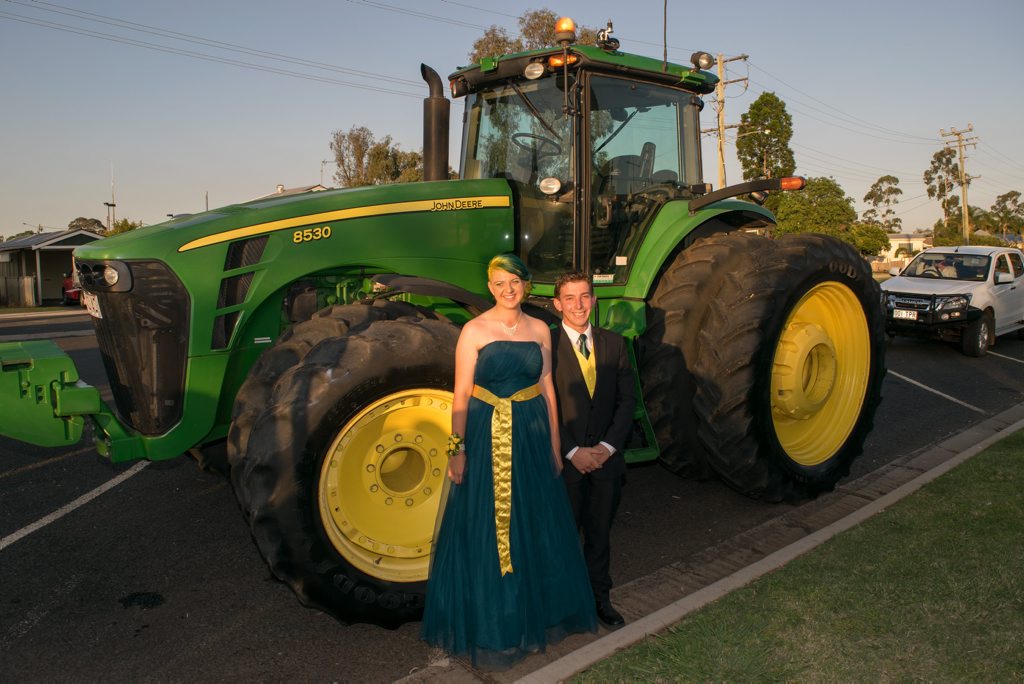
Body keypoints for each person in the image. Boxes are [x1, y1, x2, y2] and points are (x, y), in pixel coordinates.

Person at [421, 254, 597, 669]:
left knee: (533, 522)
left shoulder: (540, 329)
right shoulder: (474, 330)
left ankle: (537, 614)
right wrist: (457, 449)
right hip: (485, 434)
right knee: (489, 525)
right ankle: (495, 623)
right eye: (499, 283)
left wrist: (555, 445)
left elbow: (548, 388)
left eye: (514, 282)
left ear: (526, 284)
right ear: (490, 288)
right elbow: (461, 395)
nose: (508, 290)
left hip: (532, 432)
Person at [551, 270, 636, 629]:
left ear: (594, 300)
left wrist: (606, 447)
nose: (578, 305)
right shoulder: (546, 346)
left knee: (600, 538)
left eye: (584, 296)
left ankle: (601, 599)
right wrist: (572, 451)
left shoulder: (614, 344)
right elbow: (545, 404)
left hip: (606, 462)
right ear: (557, 305)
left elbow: (626, 401)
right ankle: (565, 605)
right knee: (564, 538)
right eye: (569, 298)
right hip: (566, 463)